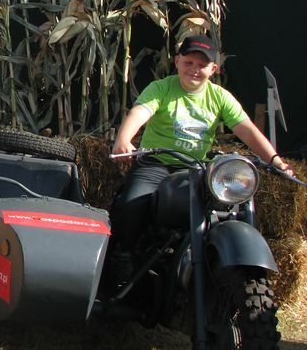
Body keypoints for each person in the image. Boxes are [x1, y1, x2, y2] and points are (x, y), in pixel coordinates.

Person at [110, 34, 293, 270]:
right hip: (156, 164)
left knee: (225, 207)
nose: (194, 70)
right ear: (177, 62)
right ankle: (122, 254)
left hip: (196, 169)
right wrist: (124, 139)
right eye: (189, 63)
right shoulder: (161, 89)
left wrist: (276, 161)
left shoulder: (220, 97)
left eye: (202, 65)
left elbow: (247, 130)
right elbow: (139, 113)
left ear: (213, 68)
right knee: (132, 202)